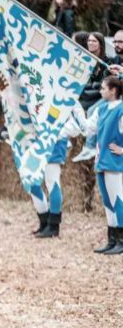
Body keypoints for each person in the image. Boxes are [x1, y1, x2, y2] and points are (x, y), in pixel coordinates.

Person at [71, 75, 123, 254]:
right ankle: (112, 238)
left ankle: (121, 240)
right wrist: (75, 107)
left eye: (103, 88)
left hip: (115, 161)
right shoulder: (101, 109)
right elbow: (87, 128)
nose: (101, 91)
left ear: (113, 90)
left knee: (118, 200)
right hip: (101, 160)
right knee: (108, 202)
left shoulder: (121, 110)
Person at [73, 31, 109, 163]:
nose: (90, 43)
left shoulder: (106, 61)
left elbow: (104, 84)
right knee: (75, 108)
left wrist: (93, 86)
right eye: (89, 41)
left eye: (94, 41)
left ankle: (90, 146)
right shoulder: (86, 60)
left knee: (93, 110)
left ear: (100, 44)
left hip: (104, 95)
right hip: (90, 95)